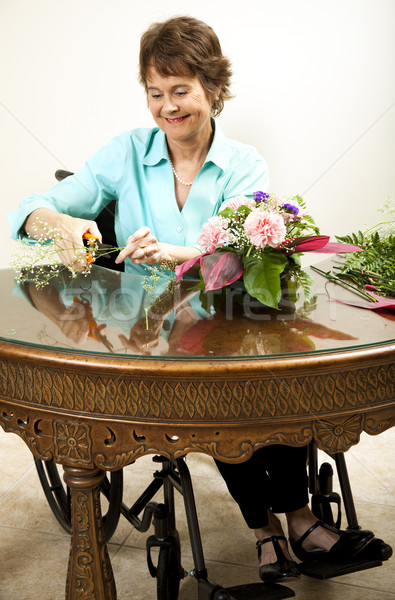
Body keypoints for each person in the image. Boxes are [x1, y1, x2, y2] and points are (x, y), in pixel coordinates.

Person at [7, 15, 372, 582]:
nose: (167, 106)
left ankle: (295, 519)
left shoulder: (244, 163)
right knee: (219, 395)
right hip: (144, 333)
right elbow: (30, 208)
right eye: (155, 93)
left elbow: (238, 250)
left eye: (180, 91)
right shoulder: (126, 152)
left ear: (213, 89)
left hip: (225, 317)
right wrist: (60, 222)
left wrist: (174, 254)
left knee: (271, 375)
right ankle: (272, 530)